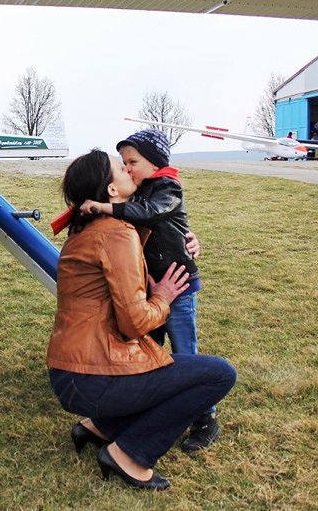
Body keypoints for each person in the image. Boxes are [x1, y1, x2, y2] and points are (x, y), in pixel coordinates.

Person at [48, 149, 236, 490]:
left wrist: (187, 240)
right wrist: (162, 297)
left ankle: (101, 427)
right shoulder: (115, 233)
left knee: (167, 369)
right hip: (93, 376)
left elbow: (149, 224)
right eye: (122, 167)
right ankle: (130, 454)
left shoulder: (88, 228)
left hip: (71, 372)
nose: (129, 170)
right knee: (217, 375)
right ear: (111, 191)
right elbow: (133, 323)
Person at [78, 129, 218, 453]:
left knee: (185, 354)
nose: (127, 169)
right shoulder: (137, 191)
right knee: (146, 352)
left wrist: (103, 207)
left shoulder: (167, 187)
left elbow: (151, 214)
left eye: (133, 162)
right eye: (123, 163)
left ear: (155, 162)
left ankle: (205, 419)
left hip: (177, 288)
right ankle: (140, 410)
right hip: (148, 291)